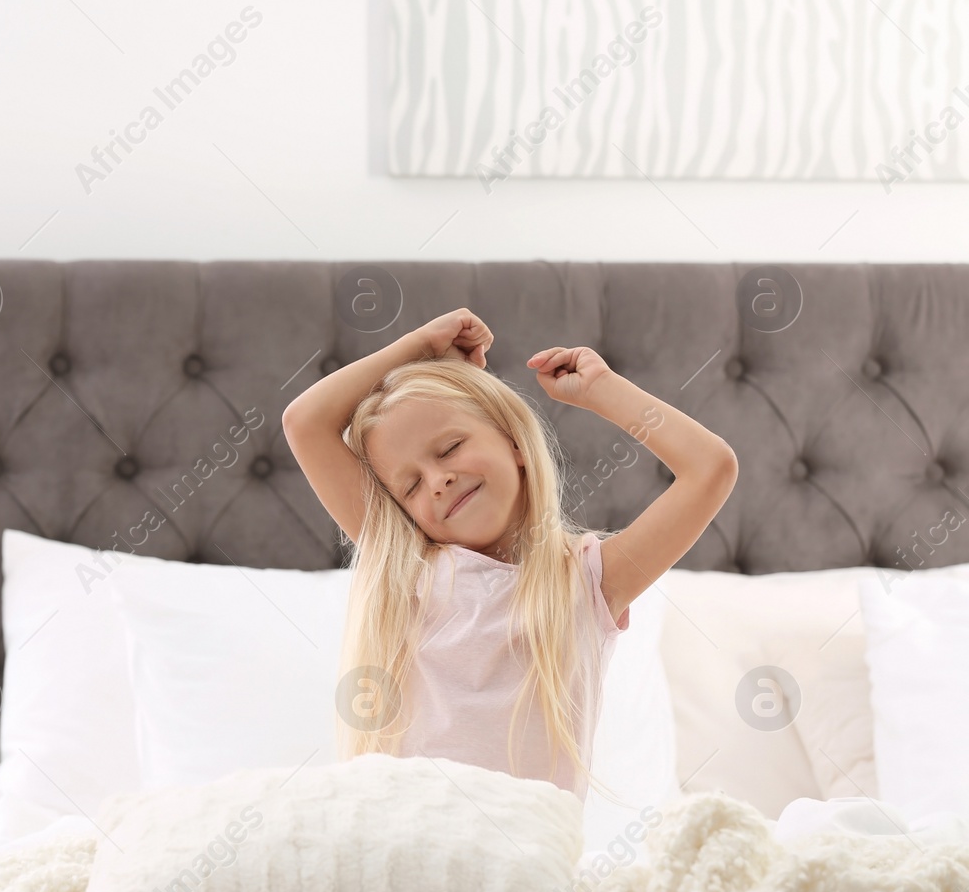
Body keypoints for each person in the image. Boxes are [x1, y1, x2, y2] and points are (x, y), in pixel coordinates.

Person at [280, 308, 737, 801]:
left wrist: (602, 388)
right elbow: (305, 422)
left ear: (515, 440)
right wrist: (417, 347)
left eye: (450, 447)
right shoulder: (409, 567)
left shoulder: (588, 584)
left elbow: (710, 466)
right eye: (410, 485)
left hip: (522, 865)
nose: (438, 481)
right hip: (410, 848)